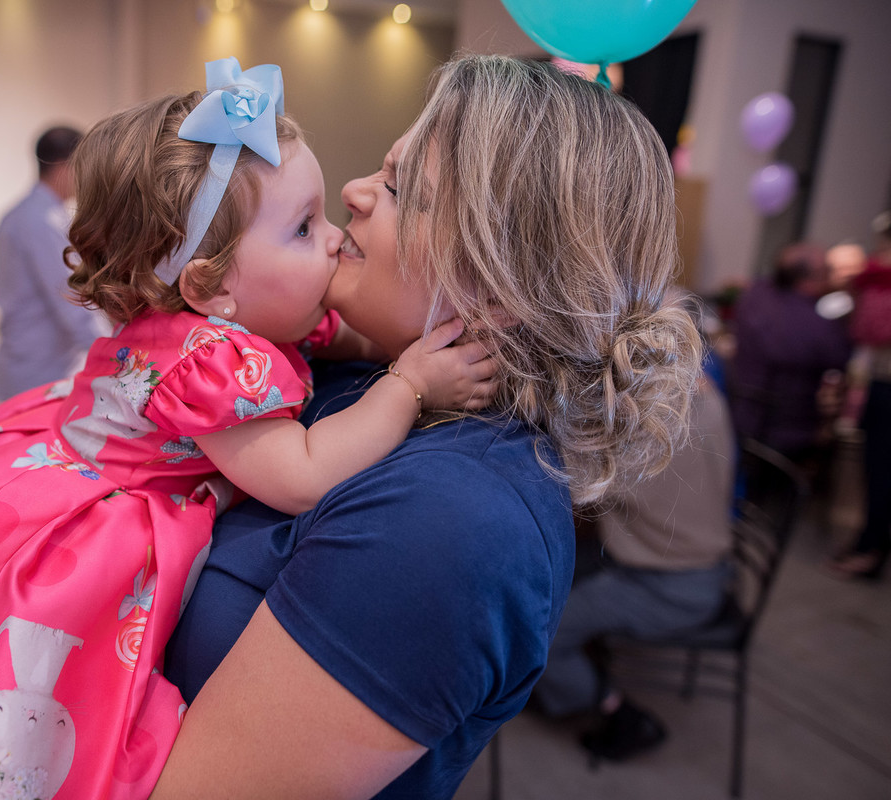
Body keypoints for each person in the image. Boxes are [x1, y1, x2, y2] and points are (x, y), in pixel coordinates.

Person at [0, 59, 492, 800]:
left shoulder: (232, 314)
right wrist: (408, 385)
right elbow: (300, 474)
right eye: (303, 227)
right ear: (210, 287)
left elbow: (340, 335)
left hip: (47, 448)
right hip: (89, 514)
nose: (333, 239)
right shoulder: (205, 359)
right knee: (28, 710)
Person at [156, 54, 702, 799]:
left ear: (499, 284)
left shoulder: (450, 522)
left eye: (399, 188)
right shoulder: (364, 372)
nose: (352, 191)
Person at [529, 294, 737, 762]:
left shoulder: (646, 437)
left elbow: (569, 479)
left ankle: (619, 712)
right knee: (552, 573)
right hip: (692, 563)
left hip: (669, 584)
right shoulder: (704, 393)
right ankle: (577, 658)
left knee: (538, 630)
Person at [0, 125, 113, 401]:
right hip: (42, 363)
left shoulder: (19, 215)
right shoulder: (42, 221)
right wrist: (114, 356)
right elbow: (71, 297)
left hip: (28, 353)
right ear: (64, 166)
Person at [729, 242, 852, 467]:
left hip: (740, 415)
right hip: (787, 430)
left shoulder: (754, 297)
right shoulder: (815, 325)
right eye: (828, 270)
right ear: (811, 278)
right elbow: (840, 358)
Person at [828, 211, 891, 580]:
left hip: (886, 385)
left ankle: (869, 551)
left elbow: (871, 330)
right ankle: (868, 545)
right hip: (879, 381)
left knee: (880, 470)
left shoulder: (881, 278)